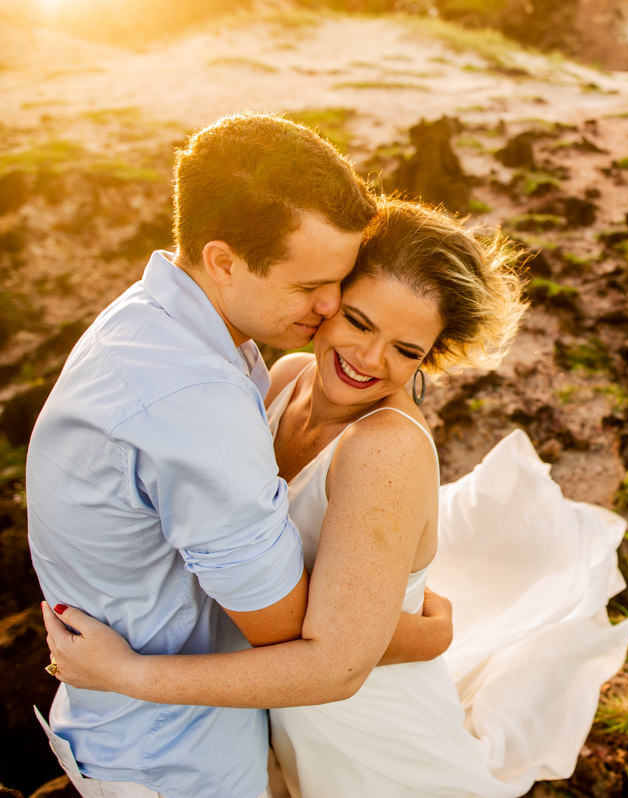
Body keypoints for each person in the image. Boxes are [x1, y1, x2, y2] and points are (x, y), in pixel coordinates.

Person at [43, 198, 628, 797]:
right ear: (326, 299)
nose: (370, 360)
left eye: (408, 351)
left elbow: (337, 661)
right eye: (358, 321)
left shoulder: (385, 451)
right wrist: (413, 630)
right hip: (279, 705)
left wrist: (127, 674)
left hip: (365, 736)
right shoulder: (283, 379)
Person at [26, 114, 452, 798]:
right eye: (311, 284)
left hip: (171, 720)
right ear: (224, 260)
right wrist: (420, 635)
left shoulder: (152, 322)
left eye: (339, 281)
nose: (328, 305)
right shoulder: (201, 401)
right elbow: (301, 635)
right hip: (175, 753)